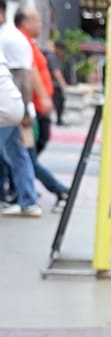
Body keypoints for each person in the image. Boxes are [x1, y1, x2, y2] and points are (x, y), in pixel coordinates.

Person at [15, 7, 68, 212]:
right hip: (28, 109)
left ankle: (23, 188)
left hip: (31, 109)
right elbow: (30, 72)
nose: (40, 24)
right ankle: (55, 190)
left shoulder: (30, 43)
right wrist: (43, 99)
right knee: (25, 155)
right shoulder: (22, 42)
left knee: (25, 154)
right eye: (35, 21)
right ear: (24, 22)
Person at [0, 3, 40, 217]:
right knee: (18, 154)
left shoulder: (11, 39)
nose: (39, 24)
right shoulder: (10, 37)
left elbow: (24, 77)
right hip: (11, 109)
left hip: (9, 110)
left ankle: (30, 199)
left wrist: (24, 111)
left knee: (18, 155)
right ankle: (28, 199)